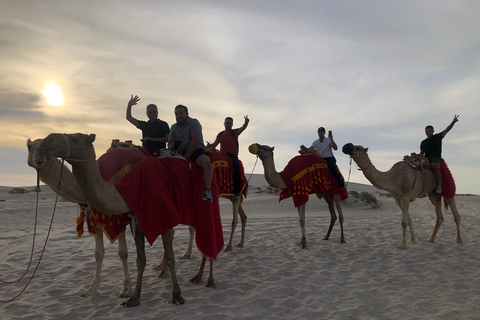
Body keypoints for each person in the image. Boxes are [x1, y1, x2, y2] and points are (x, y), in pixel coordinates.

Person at [168, 104, 213, 202]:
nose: (179, 116)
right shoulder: (174, 127)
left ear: (187, 114)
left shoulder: (194, 123)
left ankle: (207, 191)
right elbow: (170, 142)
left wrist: (186, 157)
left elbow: (195, 139)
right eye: (176, 114)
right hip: (180, 152)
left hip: (195, 150)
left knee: (206, 162)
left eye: (181, 113)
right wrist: (171, 147)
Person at [208, 116, 250, 196]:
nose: (228, 124)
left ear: (232, 125)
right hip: (222, 154)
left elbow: (242, 128)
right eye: (226, 123)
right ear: (224, 124)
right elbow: (214, 144)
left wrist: (246, 122)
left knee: (236, 169)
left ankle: (237, 189)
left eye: (229, 123)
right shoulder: (220, 134)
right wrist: (209, 146)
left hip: (232, 155)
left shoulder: (235, 132)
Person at [420, 115, 459, 194]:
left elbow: (446, 130)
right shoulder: (423, 142)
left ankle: (439, 186)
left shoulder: (437, 137)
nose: (428, 132)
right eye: (427, 131)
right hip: (426, 158)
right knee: (419, 169)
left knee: (435, 168)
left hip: (435, 158)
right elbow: (421, 152)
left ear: (433, 131)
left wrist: (453, 122)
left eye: (430, 131)